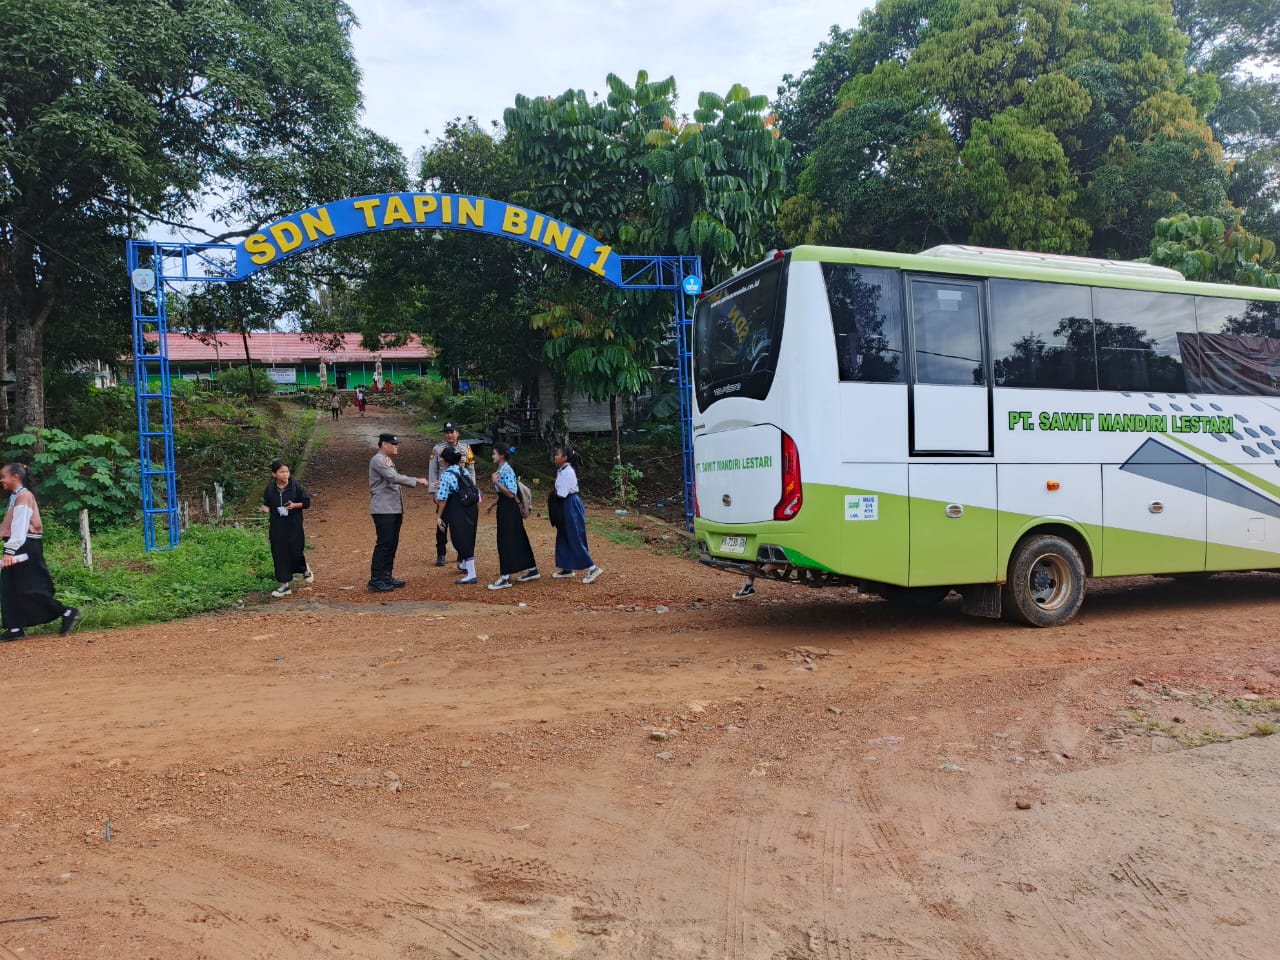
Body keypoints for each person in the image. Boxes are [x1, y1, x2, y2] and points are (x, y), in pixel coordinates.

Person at [0, 463, 81, 641]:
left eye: (3, 476)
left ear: (15, 476)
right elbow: (10, 526)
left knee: (31, 587)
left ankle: (67, 612)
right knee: (9, 587)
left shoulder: (24, 496)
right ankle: (14, 628)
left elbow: (20, 527)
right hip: (19, 544)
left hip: (25, 545)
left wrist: (10, 551)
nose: (1, 480)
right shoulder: (16, 497)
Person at [368, 433, 428, 592]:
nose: (397, 446)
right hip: (383, 509)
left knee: (392, 543)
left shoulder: (386, 460)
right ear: (384, 444)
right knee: (384, 544)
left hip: (393, 508)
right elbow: (393, 478)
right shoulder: (378, 459)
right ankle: (375, 579)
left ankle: (386, 575)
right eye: (393, 444)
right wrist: (416, 480)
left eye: (397, 444)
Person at [485, 443, 538, 589]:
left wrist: (495, 482)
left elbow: (510, 493)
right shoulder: (501, 469)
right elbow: (503, 494)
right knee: (518, 537)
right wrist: (492, 505)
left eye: (494, 453)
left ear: (501, 455)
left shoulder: (506, 470)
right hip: (505, 506)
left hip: (509, 509)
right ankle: (532, 568)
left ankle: (505, 576)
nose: (492, 456)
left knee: (505, 539)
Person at [258, 459, 313, 598]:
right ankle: (284, 584)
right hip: (277, 525)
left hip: (294, 524)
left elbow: (306, 502)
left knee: (295, 550)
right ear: (274, 474)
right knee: (279, 553)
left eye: (287, 471)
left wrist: (294, 505)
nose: (285, 474)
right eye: (282, 472)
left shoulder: (295, 486)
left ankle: (303, 568)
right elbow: (268, 504)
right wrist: (266, 509)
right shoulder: (270, 489)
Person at [549, 445, 602, 583]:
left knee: (573, 536)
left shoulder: (567, 473)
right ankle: (567, 567)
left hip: (570, 504)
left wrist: (553, 496)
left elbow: (562, 494)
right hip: (566, 503)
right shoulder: (562, 470)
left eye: (558, 454)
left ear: (564, 458)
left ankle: (592, 568)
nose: (555, 456)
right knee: (563, 535)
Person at [429, 423, 476, 567]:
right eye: (446, 432)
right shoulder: (437, 449)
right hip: (443, 491)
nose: (449, 435)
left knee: (461, 524)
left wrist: (472, 489)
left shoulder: (465, 449)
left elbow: (471, 469)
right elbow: (433, 470)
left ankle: (462, 555)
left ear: (458, 433)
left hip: (460, 492)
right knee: (442, 523)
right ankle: (441, 553)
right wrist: (434, 491)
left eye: (452, 432)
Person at [434, 446, 479, 584]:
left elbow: (442, 499)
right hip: (471, 507)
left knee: (460, 538)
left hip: (459, 509)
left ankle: (471, 574)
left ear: (446, 461)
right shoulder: (463, 470)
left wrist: (439, 516)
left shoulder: (447, 475)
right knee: (469, 536)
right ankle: (465, 564)